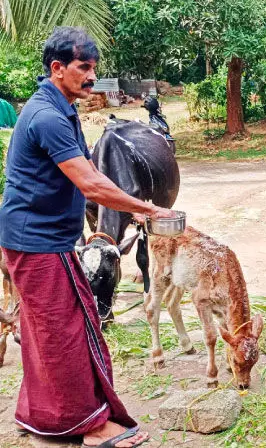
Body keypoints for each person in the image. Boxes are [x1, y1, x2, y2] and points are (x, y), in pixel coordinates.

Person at [0, 27, 175, 448]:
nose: (91, 76)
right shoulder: (47, 116)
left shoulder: (61, 108)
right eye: (83, 67)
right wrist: (149, 209)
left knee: (47, 330)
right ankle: (89, 426)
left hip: (46, 240)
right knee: (67, 331)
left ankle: (40, 415)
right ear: (57, 69)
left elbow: (93, 174)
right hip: (37, 242)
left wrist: (133, 207)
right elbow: (90, 185)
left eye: (94, 68)